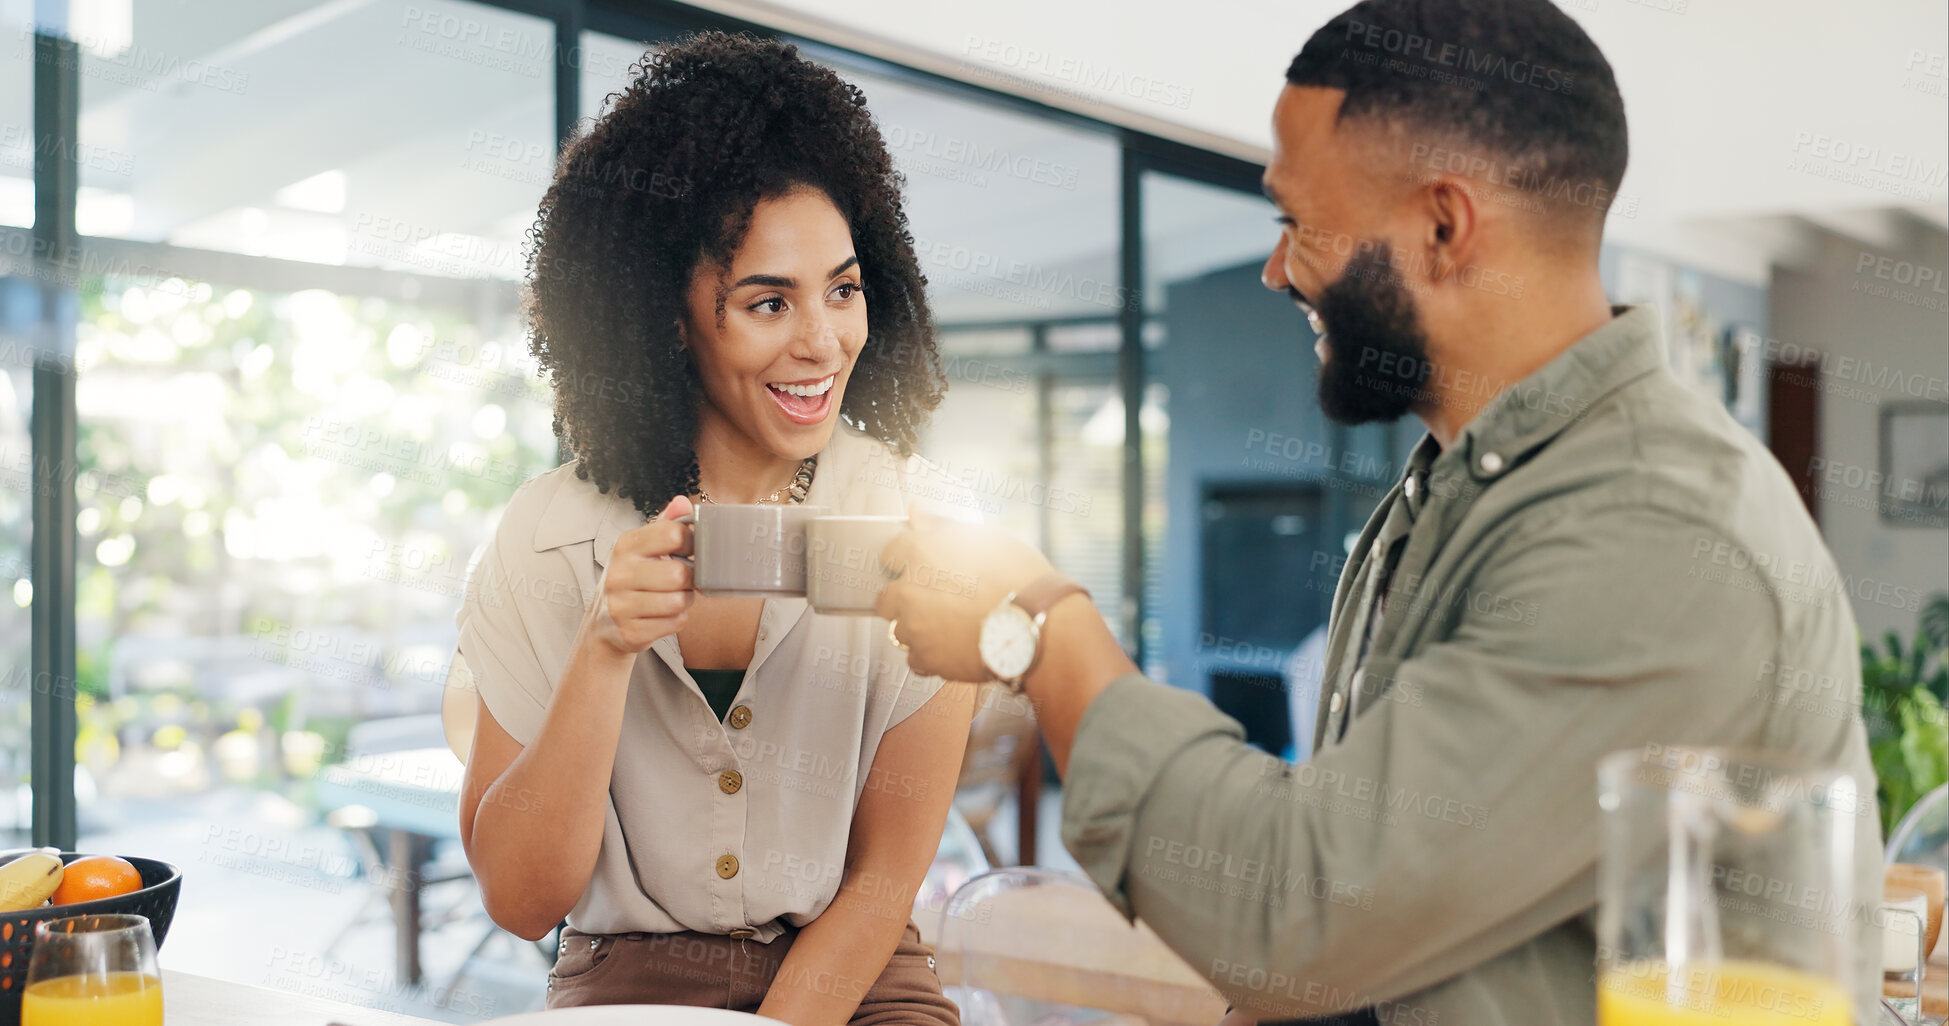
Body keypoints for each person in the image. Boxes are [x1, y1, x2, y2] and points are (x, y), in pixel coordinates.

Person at [872, 2, 1881, 1024]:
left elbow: (1294, 908)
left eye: (1297, 222)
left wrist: (1039, 626)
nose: (1274, 270)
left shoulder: (1655, 529)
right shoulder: (1461, 480)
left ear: (1442, 228)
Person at [451, 33, 971, 1025]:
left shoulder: (920, 526)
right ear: (666, 317)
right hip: (626, 979)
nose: (822, 341)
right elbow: (521, 902)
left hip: (856, 977)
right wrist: (603, 652)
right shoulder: (547, 537)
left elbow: (881, 883)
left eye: (843, 288)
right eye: (767, 301)